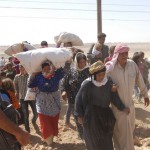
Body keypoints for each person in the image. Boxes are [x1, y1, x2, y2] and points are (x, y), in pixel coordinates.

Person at [75, 60, 130, 150]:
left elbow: (114, 97)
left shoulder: (108, 83)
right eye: (99, 75)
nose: (101, 77)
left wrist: (123, 107)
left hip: (105, 115)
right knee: (93, 140)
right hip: (91, 116)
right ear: (94, 75)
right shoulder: (88, 84)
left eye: (103, 74)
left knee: (106, 140)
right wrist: (80, 115)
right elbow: (79, 99)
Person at [105, 44, 149, 150]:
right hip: (117, 107)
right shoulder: (110, 68)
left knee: (128, 131)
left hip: (130, 105)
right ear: (117, 54)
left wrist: (145, 95)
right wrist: (109, 88)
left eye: (126, 53)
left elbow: (139, 79)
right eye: (122, 53)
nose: (124, 55)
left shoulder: (132, 65)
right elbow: (101, 82)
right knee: (124, 134)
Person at [28, 61, 64, 146]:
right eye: (45, 69)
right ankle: (49, 142)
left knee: (53, 120)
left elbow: (62, 73)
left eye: (48, 68)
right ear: (42, 70)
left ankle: (50, 139)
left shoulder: (56, 75)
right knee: (45, 122)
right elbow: (30, 85)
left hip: (54, 102)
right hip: (42, 102)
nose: (47, 70)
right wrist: (33, 74)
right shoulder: (39, 77)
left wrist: (57, 66)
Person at [61, 52, 89, 138]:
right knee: (78, 119)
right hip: (74, 100)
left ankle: (88, 135)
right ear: (76, 62)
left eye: (84, 62)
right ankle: (82, 136)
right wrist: (63, 91)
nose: (82, 64)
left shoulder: (89, 71)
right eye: (80, 62)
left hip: (87, 100)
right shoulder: (71, 71)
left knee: (87, 119)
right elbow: (64, 82)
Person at [14, 65, 37, 132]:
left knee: (36, 113)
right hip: (22, 98)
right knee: (25, 114)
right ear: (19, 68)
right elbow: (15, 86)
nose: (21, 68)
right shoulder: (17, 77)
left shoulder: (30, 76)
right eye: (20, 67)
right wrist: (16, 92)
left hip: (31, 97)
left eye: (23, 67)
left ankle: (33, 120)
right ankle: (27, 130)